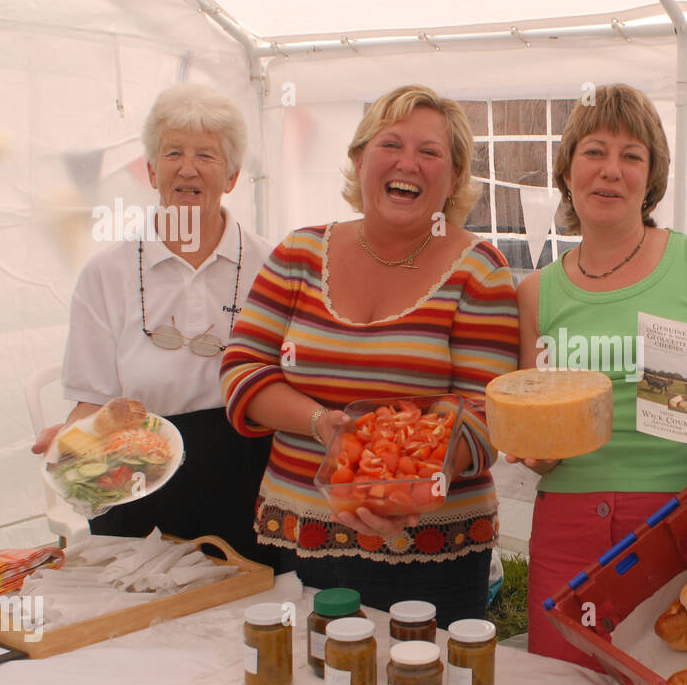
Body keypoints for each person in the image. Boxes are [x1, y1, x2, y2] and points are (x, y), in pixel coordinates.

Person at [220, 84, 518, 625]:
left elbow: (486, 411)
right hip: (300, 537)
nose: (409, 163)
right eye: (390, 144)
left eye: (431, 153)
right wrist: (320, 424)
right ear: (359, 160)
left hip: (432, 549)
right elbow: (242, 370)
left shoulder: (480, 270)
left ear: (453, 180)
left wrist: (403, 491)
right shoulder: (299, 254)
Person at [510, 84, 687, 668]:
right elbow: (536, 427)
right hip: (567, 527)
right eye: (595, 151)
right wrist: (537, 450)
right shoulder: (537, 292)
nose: (611, 171)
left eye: (631, 156)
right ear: (567, 168)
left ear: (651, 176)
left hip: (686, 521)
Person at [33, 84, 275, 565]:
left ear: (231, 176)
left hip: (248, 478)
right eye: (172, 153)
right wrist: (72, 442)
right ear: (150, 171)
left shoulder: (273, 265)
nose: (188, 168)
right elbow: (92, 402)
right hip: (136, 477)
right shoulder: (107, 273)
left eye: (206, 155)